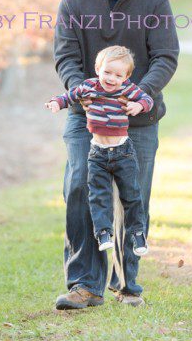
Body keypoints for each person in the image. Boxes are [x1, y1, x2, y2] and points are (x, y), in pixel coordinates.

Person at [53, 0, 179, 310]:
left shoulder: (153, 1)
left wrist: (138, 96)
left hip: (137, 120)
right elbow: (66, 57)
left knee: (132, 197)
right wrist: (83, 90)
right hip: (86, 118)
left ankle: (127, 285)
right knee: (79, 187)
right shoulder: (74, 3)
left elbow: (166, 57)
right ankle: (85, 285)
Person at [47, 45, 154, 257]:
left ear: (126, 76)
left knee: (131, 194)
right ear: (97, 69)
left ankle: (137, 233)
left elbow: (147, 99)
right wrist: (56, 103)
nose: (111, 78)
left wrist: (138, 106)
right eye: (107, 72)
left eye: (118, 75)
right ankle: (103, 232)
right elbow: (69, 96)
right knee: (98, 195)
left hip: (123, 152)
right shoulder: (88, 87)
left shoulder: (127, 90)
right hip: (97, 153)